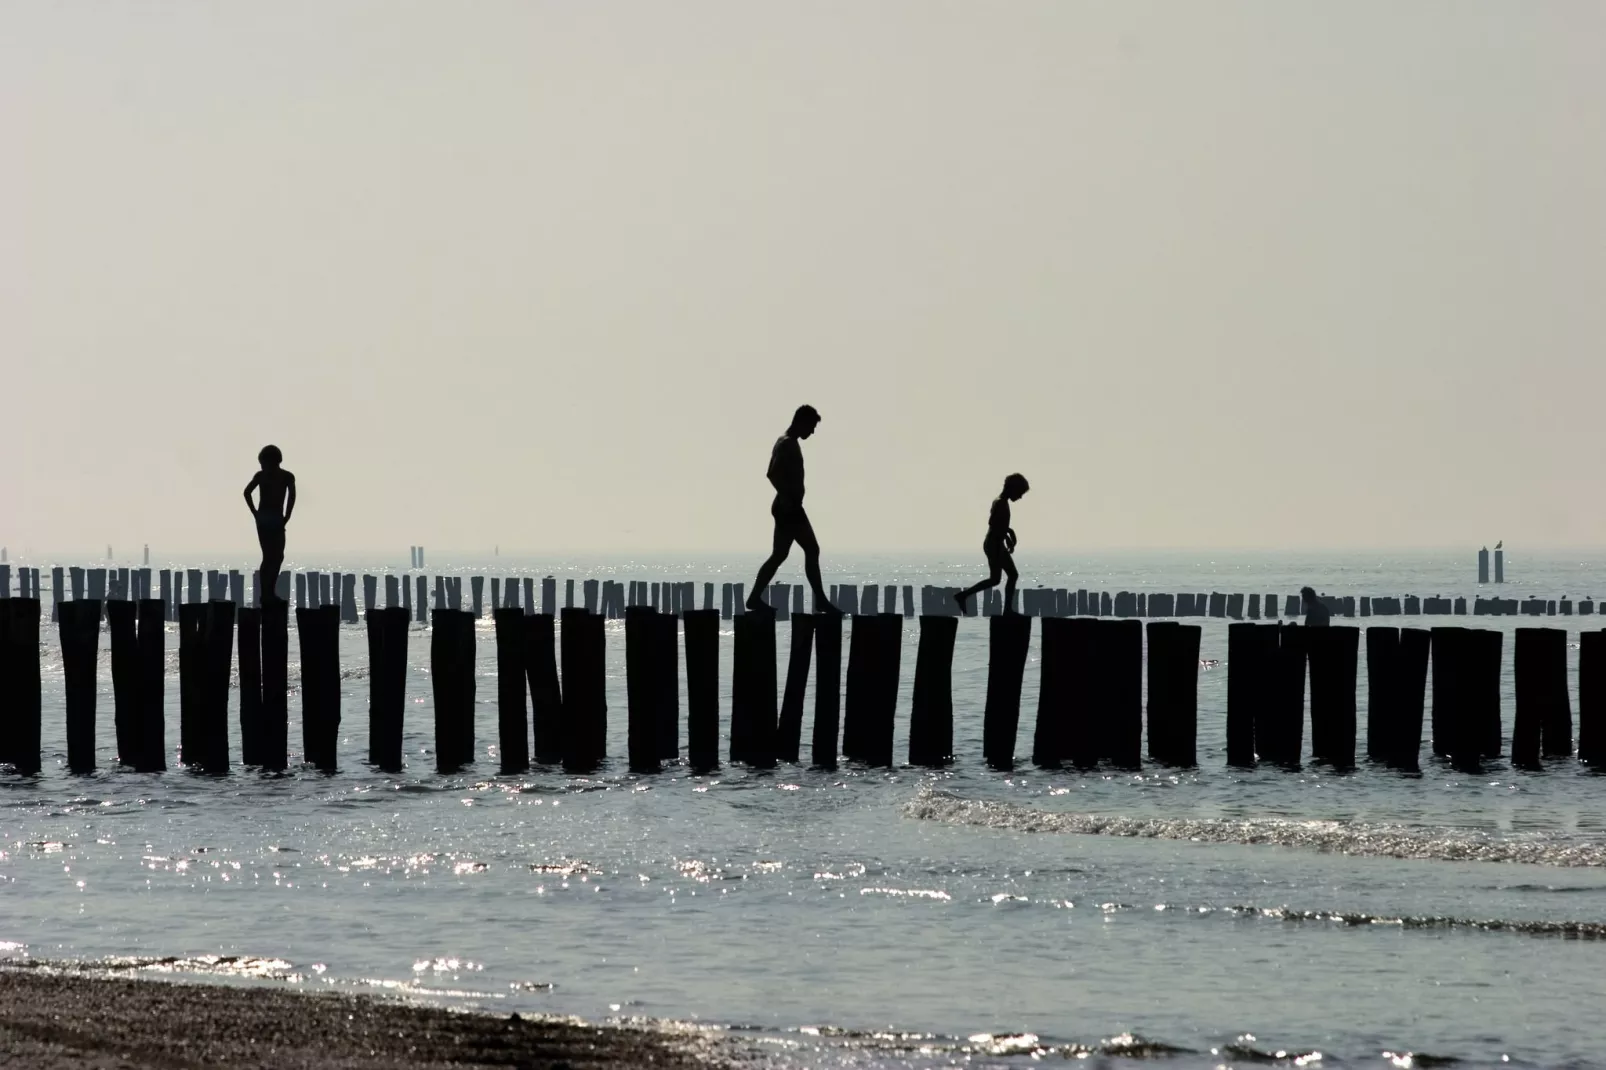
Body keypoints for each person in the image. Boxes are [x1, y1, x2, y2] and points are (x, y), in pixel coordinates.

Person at [746, 405, 839, 615]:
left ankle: (753, 598)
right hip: (789, 508)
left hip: (787, 506)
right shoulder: (787, 443)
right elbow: (772, 473)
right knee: (812, 549)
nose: (812, 432)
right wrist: (788, 498)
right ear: (802, 421)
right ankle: (821, 601)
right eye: (812, 426)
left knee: (779, 554)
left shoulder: (787, 442)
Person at [954, 473, 1030, 614]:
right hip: (994, 544)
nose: (1020, 497)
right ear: (1012, 489)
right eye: (1019, 493)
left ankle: (963, 596)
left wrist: (1008, 533)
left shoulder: (1001, 501)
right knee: (1010, 575)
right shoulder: (1001, 502)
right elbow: (993, 524)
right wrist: (1008, 535)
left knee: (997, 579)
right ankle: (1007, 610)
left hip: (995, 543)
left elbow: (998, 524)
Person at [244, 445, 296, 604]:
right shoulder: (262, 476)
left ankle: (269, 591)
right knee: (270, 557)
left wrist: (286, 516)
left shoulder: (286, 476)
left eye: (263, 462)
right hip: (268, 519)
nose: (262, 466)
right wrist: (255, 513)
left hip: (272, 518)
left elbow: (292, 496)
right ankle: (267, 593)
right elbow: (247, 492)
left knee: (276, 556)